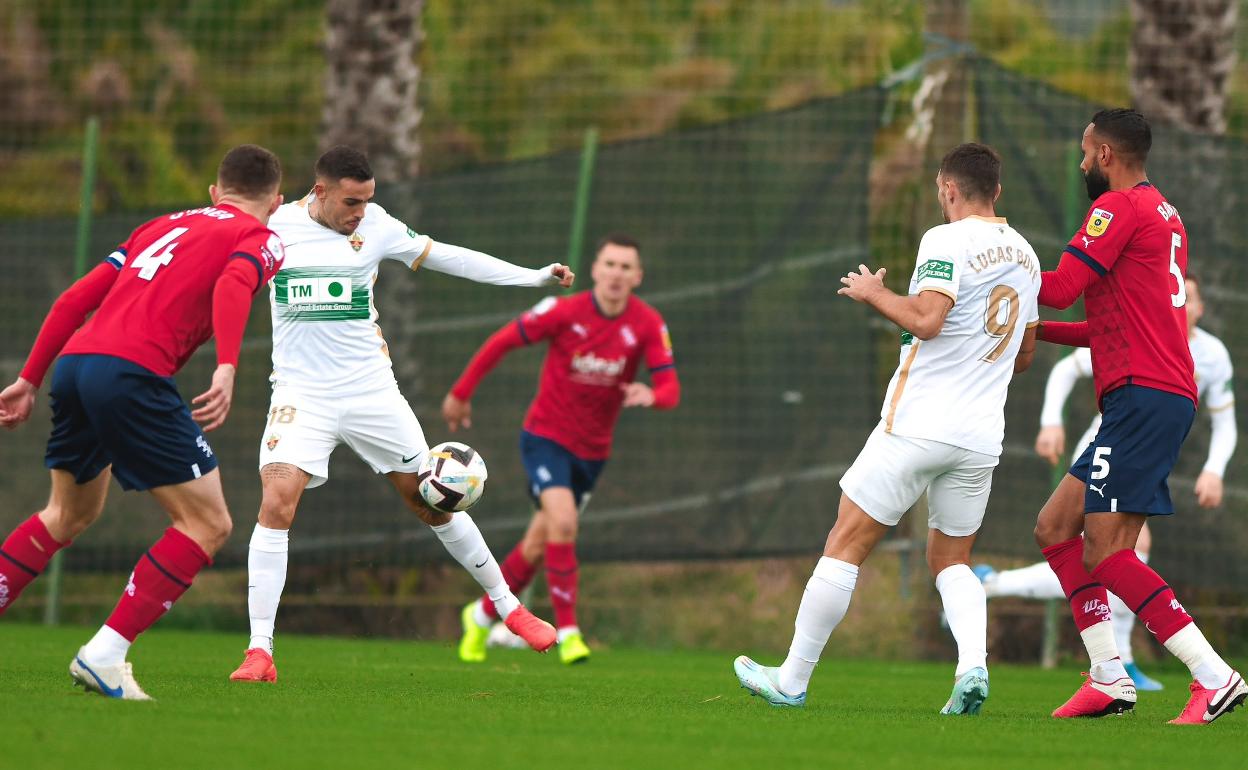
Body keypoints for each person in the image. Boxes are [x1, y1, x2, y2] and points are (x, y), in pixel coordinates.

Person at [228, 146, 571, 683]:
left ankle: (509, 608)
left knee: (432, 502)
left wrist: (531, 278)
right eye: (350, 202)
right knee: (276, 500)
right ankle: (259, 651)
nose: (360, 211)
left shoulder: (378, 226)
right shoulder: (275, 227)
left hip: (371, 393)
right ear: (318, 192)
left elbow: (451, 256)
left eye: (367, 200)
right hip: (301, 395)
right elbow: (212, 266)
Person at [733, 143, 1040, 714]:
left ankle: (792, 680)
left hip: (918, 424)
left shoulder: (945, 239)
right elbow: (1022, 357)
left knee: (845, 543)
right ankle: (972, 666)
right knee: (952, 561)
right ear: (996, 190)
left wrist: (875, 293)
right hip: (979, 438)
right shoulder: (1026, 255)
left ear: (948, 189)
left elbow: (926, 319)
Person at [0, 145, 286, 700]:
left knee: (67, 513)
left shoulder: (159, 225)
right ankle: (105, 654)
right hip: (131, 374)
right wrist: (228, 365)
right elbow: (233, 284)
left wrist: (30, 379)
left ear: (214, 191)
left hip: (76, 366)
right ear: (275, 202)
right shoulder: (260, 236)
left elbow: (73, 300)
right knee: (209, 524)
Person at [1030, 108, 1244, 724]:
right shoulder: (1165, 215)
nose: (1079, 162)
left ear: (1105, 156)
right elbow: (1105, 324)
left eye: (1084, 150)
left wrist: (994, 262)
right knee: (1054, 527)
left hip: (1143, 397)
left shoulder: (1117, 209)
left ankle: (1215, 676)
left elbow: (1063, 283)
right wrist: (1038, 330)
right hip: (1148, 394)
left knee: (1108, 554)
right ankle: (1109, 676)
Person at [976, 274, 1236, 693]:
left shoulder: (1210, 353)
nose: (1182, 303)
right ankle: (1119, 666)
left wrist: (1215, 469)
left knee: (1102, 549)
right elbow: (1071, 360)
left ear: (1200, 308)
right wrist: (1050, 420)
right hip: (1115, 436)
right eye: (1178, 295)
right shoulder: (1145, 322)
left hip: (1141, 434)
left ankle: (1153, 670)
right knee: (1087, 539)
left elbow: (1225, 423)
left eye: (1189, 298)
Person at [444, 233, 680, 665]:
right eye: (610, 264)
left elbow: (670, 388)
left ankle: (478, 616)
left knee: (540, 544)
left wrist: (652, 395)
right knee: (565, 523)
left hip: (592, 454)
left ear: (638, 277)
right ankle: (569, 631)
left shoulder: (648, 323)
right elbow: (503, 341)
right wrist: (461, 393)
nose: (616, 274)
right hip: (545, 439)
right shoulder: (564, 310)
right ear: (595, 269)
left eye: (626, 267)